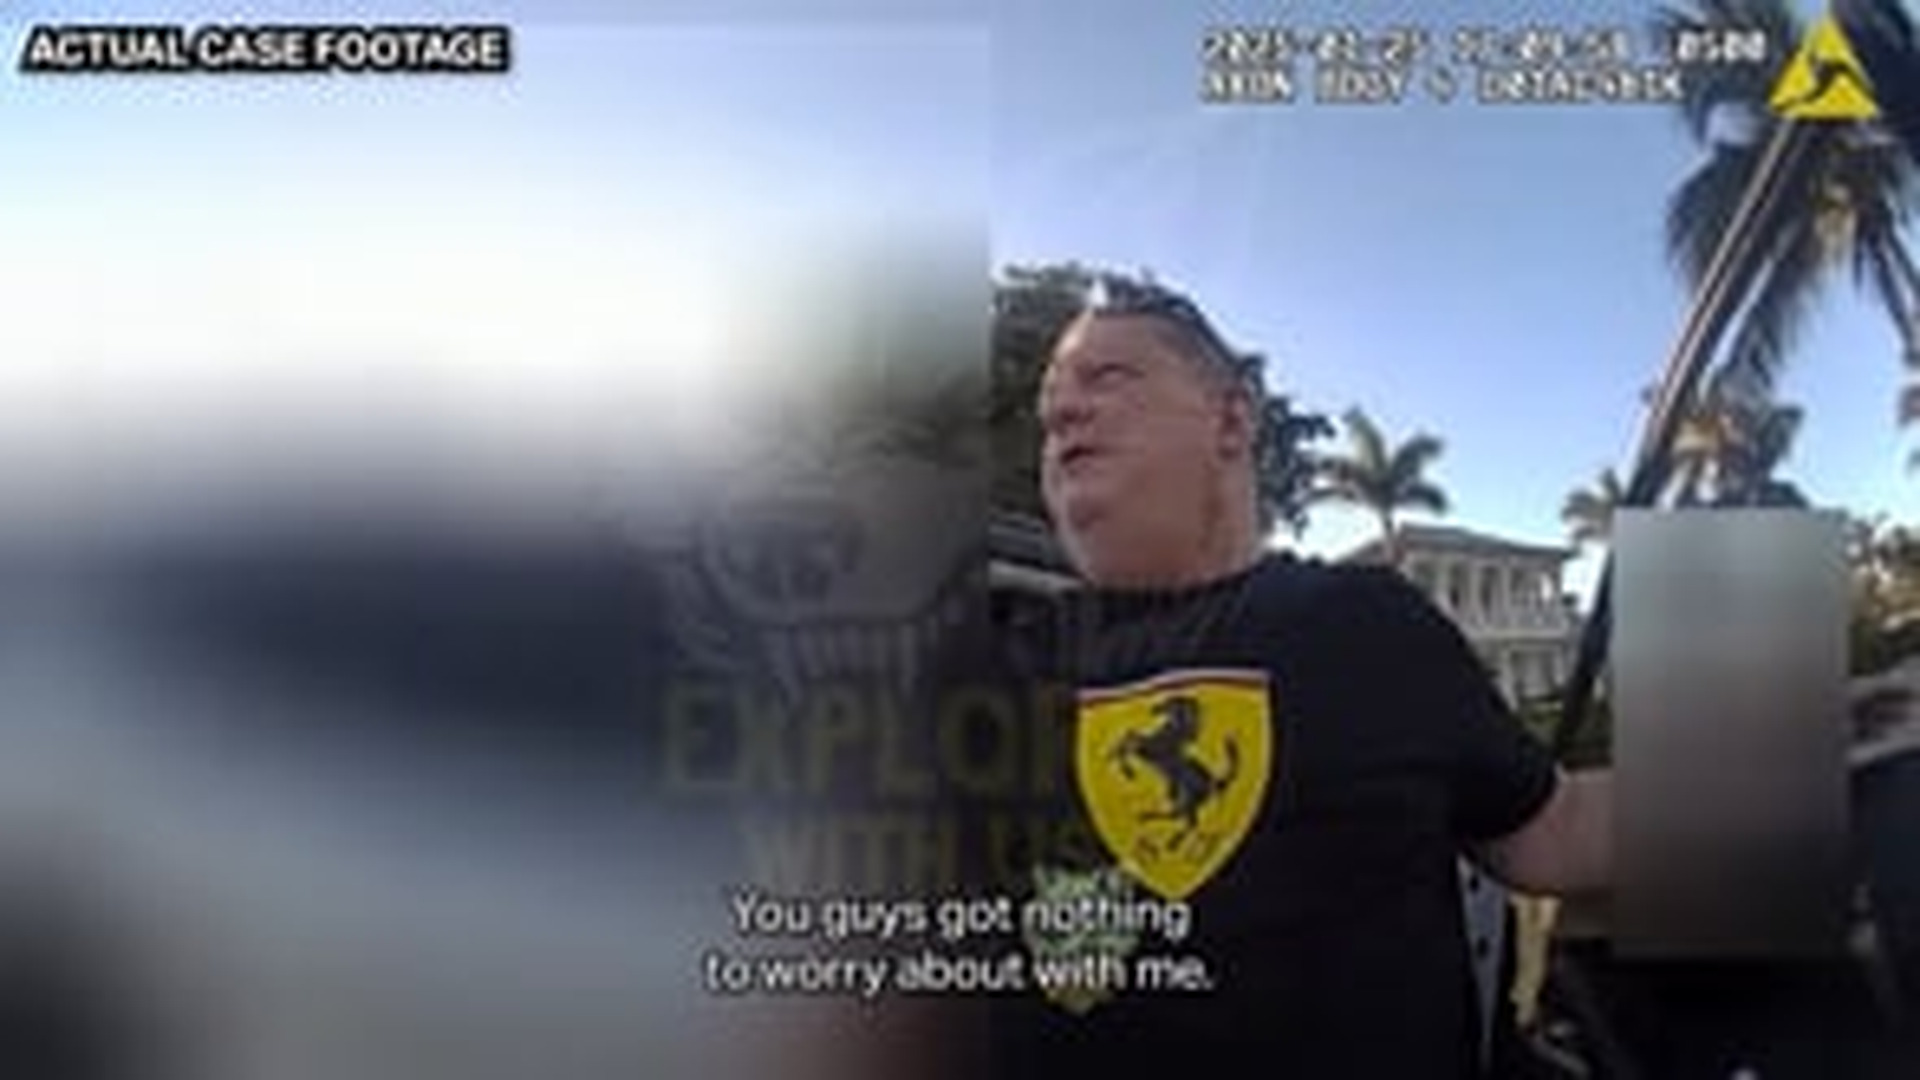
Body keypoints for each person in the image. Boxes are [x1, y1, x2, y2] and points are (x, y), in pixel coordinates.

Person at [977, 282, 1612, 1078]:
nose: (1063, 413)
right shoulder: (988, 654)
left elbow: (1556, 830)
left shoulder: (1368, 624)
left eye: (1108, 378)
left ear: (1232, 420)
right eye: (1049, 409)